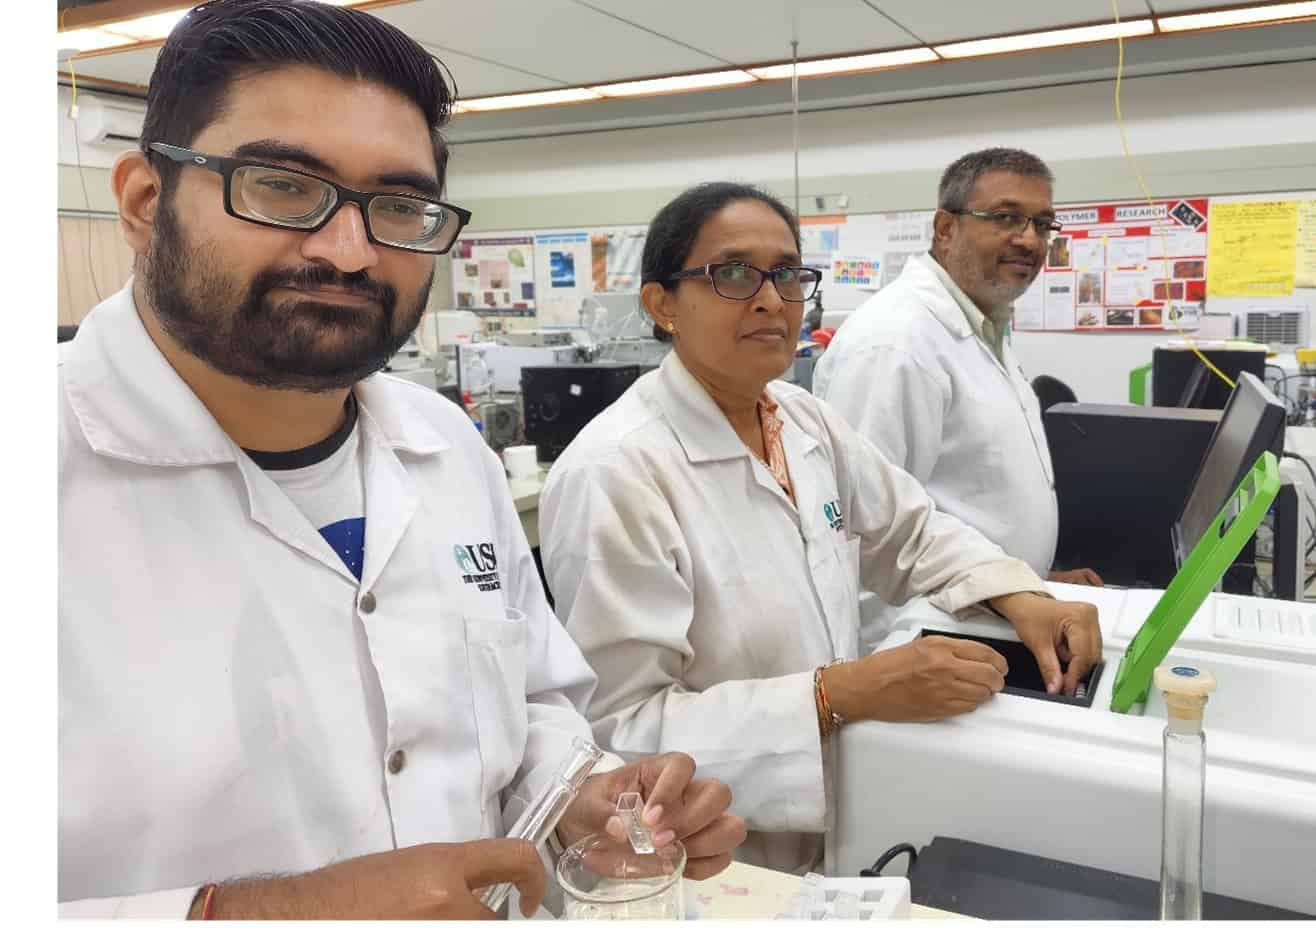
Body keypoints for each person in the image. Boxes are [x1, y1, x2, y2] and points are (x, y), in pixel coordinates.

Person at [58, 0, 742, 919]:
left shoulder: (446, 447)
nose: (350, 252)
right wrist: (268, 916)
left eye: (398, 207)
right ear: (146, 202)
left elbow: (529, 705)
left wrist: (577, 798)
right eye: (281, 186)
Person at [538, 181, 1104, 874]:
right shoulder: (615, 472)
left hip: (839, 815)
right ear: (662, 305)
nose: (771, 299)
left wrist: (1020, 595)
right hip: (709, 860)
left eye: (787, 274)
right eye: (734, 273)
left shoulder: (799, 418)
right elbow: (619, 729)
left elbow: (911, 531)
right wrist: (838, 694)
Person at [812, 148, 1102, 591]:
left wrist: (1034, 579)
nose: (1030, 240)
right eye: (1006, 218)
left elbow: (973, 495)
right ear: (946, 229)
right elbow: (864, 535)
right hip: (932, 624)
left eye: (1042, 224)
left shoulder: (984, 323)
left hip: (996, 602)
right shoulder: (895, 344)